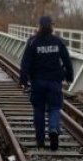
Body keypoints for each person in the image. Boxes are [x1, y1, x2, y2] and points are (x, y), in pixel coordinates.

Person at [19, 16, 74, 151]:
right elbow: (67, 61)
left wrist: (23, 81)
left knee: (39, 109)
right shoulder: (58, 41)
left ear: (39, 26)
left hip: (37, 81)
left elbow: (25, 62)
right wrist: (69, 77)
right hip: (55, 81)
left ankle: (40, 140)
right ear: (51, 26)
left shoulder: (33, 42)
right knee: (55, 107)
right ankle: (54, 129)